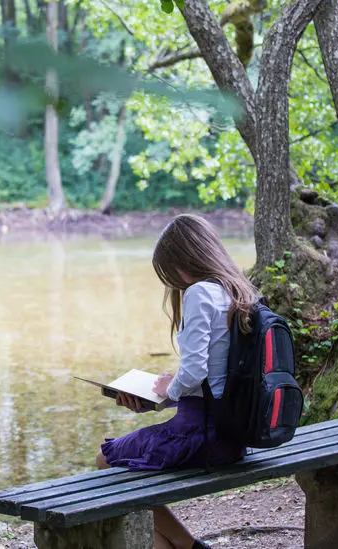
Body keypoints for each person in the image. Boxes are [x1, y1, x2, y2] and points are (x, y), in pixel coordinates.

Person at [95, 214, 258, 549]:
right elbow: (212, 379)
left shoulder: (199, 292)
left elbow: (195, 370)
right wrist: (163, 398)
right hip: (231, 435)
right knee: (140, 521)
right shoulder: (235, 291)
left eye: (172, 272)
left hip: (199, 436)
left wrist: (169, 389)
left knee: (105, 461)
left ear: (186, 260)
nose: (175, 282)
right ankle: (188, 547)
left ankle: (191, 546)